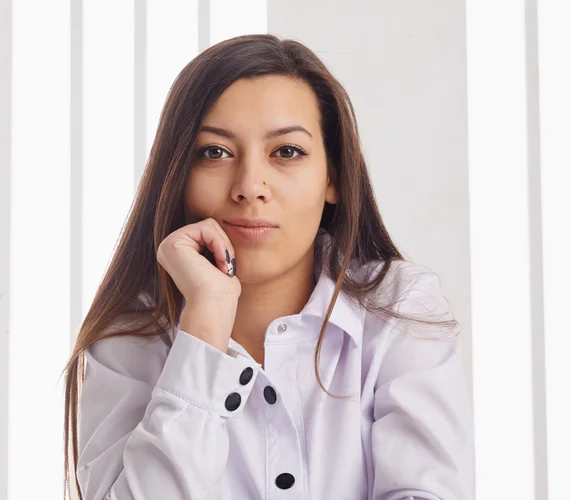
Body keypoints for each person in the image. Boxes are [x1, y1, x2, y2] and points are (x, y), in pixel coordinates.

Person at [62, 33, 475, 500]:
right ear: (176, 177)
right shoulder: (130, 337)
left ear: (333, 177)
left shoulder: (399, 309)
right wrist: (202, 334)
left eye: (287, 152)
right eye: (214, 152)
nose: (249, 187)